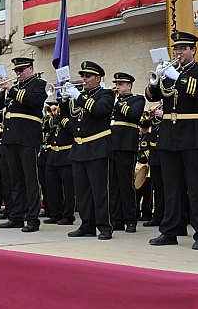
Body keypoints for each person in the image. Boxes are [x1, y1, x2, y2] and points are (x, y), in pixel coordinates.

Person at [146, 31, 198, 250]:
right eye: (176, 49)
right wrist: (158, 77)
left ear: (193, 50)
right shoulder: (169, 72)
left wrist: (178, 78)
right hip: (169, 135)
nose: (179, 52)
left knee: (195, 186)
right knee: (171, 187)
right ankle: (170, 230)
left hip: (192, 134)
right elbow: (152, 96)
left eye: (183, 49)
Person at [0, 57, 47, 232]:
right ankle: (16, 216)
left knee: (30, 180)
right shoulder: (14, 88)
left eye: (21, 70)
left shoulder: (39, 84)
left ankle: (32, 218)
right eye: (16, 71)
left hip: (28, 137)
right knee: (14, 180)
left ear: (30, 68)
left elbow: (34, 101)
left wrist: (12, 89)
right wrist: (1, 91)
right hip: (11, 138)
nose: (18, 74)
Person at [62, 61, 115, 240]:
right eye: (83, 76)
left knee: (99, 190)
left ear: (98, 78)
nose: (84, 79)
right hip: (79, 148)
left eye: (88, 76)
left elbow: (99, 110)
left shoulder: (106, 94)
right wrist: (63, 101)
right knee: (82, 191)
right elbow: (68, 118)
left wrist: (78, 96)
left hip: (97, 146)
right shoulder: (81, 97)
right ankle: (87, 225)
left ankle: (105, 227)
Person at [109, 72, 145, 233]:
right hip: (111, 145)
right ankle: (116, 220)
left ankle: (130, 219)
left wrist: (116, 103)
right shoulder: (113, 101)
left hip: (126, 145)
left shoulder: (137, 99)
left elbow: (133, 114)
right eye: (116, 84)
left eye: (120, 84)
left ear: (129, 85)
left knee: (125, 184)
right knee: (113, 184)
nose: (117, 87)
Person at [44, 101, 76, 225]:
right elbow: (47, 127)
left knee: (68, 189)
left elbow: (71, 130)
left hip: (66, 154)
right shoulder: (55, 119)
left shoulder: (70, 119)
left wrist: (62, 118)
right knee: (52, 187)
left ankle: (68, 215)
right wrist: (54, 115)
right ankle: (55, 213)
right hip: (53, 155)